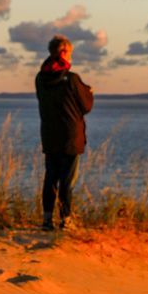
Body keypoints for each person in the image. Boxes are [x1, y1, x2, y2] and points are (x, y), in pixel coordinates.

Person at [35, 34, 94, 231]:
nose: (71, 58)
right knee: (67, 181)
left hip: (50, 135)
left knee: (51, 177)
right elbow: (86, 106)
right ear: (63, 52)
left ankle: (46, 220)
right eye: (70, 54)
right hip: (70, 137)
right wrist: (89, 92)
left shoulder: (40, 78)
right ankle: (66, 220)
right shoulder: (72, 79)